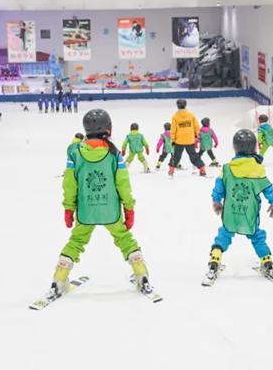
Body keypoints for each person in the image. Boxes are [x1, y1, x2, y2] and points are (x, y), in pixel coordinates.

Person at [46, 109, 155, 298]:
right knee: (125, 239)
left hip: (85, 211)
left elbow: (70, 184)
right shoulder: (114, 154)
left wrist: (69, 209)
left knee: (76, 242)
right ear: (109, 129)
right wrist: (129, 208)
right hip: (110, 210)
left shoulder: (75, 153)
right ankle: (141, 274)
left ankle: (59, 278)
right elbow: (123, 184)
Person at [206, 129, 273, 282]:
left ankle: (215, 260)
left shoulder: (227, 169)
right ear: (254, 148)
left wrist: (216, 201)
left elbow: (218, 187)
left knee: (224, 235)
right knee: (257, 237)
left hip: (230, 214)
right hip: (249, 215)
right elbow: (269, 189)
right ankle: (267, 262)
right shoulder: (258, 170)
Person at [168, 99, 206, 177]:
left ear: (177, 106)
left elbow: (173, 129)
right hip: (190, 140)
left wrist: (172, 139)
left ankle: (171, 169)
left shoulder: (175, 116)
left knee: (176, 156)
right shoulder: (191, 115)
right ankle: (202, 169)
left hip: (179, 141)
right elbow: (196, 126)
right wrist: (197, 135)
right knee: (193, 155)